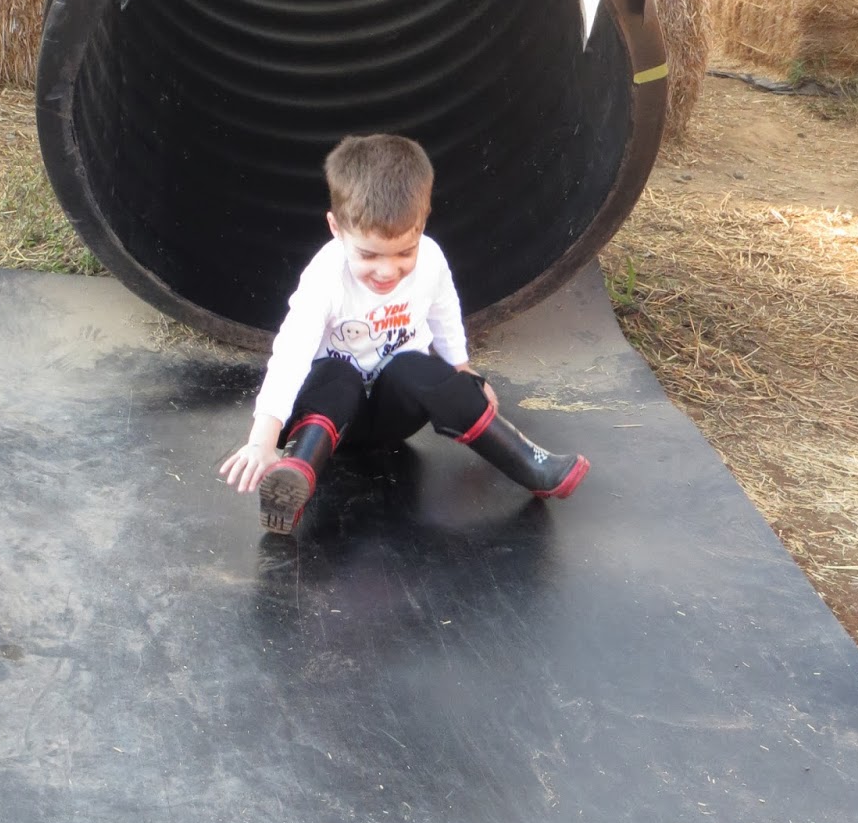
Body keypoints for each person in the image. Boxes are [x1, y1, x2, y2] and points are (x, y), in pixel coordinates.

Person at [219, 133, 589, 533]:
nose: (387, 270)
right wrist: (262, 440)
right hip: (326, 420)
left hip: (392, 417)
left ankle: (531, 464)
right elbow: (291, 354)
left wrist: (462, 369)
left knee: (417, 367)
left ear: (422, 224)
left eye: (403, 252)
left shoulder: (430, 259)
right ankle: (294, 473)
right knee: (336, 375)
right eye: (368, 254)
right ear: (336, 228)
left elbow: (444, 311)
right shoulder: (325, 278)